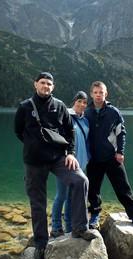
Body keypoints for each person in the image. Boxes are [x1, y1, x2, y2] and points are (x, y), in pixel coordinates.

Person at [14, 72, 96, 259]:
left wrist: (70, 154)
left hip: (58, 158)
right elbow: (18, 131)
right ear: (35, 84)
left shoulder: (59, 106)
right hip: (34, 161)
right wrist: (33, 146)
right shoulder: (25, 107)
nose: (46, 86)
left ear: (53, 87)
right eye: (42, 83)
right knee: (38, 202)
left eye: (49, 84)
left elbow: (70, 133)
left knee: (80, 180)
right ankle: (41, 242)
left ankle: (79, 227)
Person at [85, 81, 133, 229]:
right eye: (96, 92)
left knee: (123, 187)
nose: (99, 95)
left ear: (106, 94)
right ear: (92, 94)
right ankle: (95, 215)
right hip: (93, 158)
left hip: (112, 157)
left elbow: (121, 133)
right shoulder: (86, 111)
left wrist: (120, 152)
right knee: (93, 189)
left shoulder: (113, 112)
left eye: (102, 92)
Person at [50, 91, 90, 237]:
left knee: (72, 197)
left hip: (81, 163)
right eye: (79, 101)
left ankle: (68, 227)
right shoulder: (65, 115)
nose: (82, 104)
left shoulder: (85, 120)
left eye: (85, 102)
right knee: (61, 195)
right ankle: (55, 226)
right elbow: (57, 137)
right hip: (65, 162)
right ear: (74, 101)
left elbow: (86, 140)